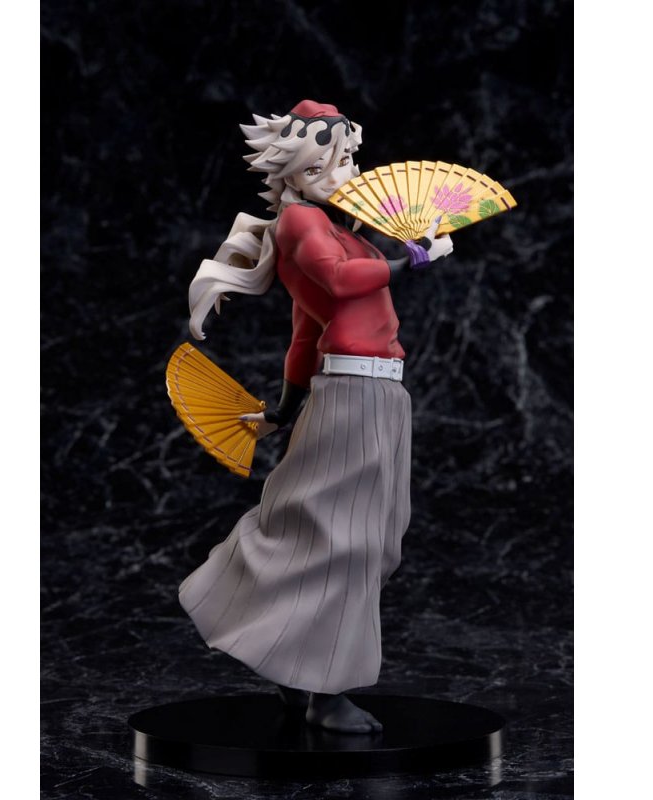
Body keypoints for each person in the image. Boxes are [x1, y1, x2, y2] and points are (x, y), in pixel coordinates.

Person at [179, 100, 453, 734]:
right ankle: (326, 691)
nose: (343, 173)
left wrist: (288, 405)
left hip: (374, 393)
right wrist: (414, 259)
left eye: (349, 160)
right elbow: (340, 281)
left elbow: (306, 333)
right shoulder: (303, 223)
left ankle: (290, 659)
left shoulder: (332, 228)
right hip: (356, 394)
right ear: (296, 171)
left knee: (366, 535)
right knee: (348, 539)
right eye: (326, 164)